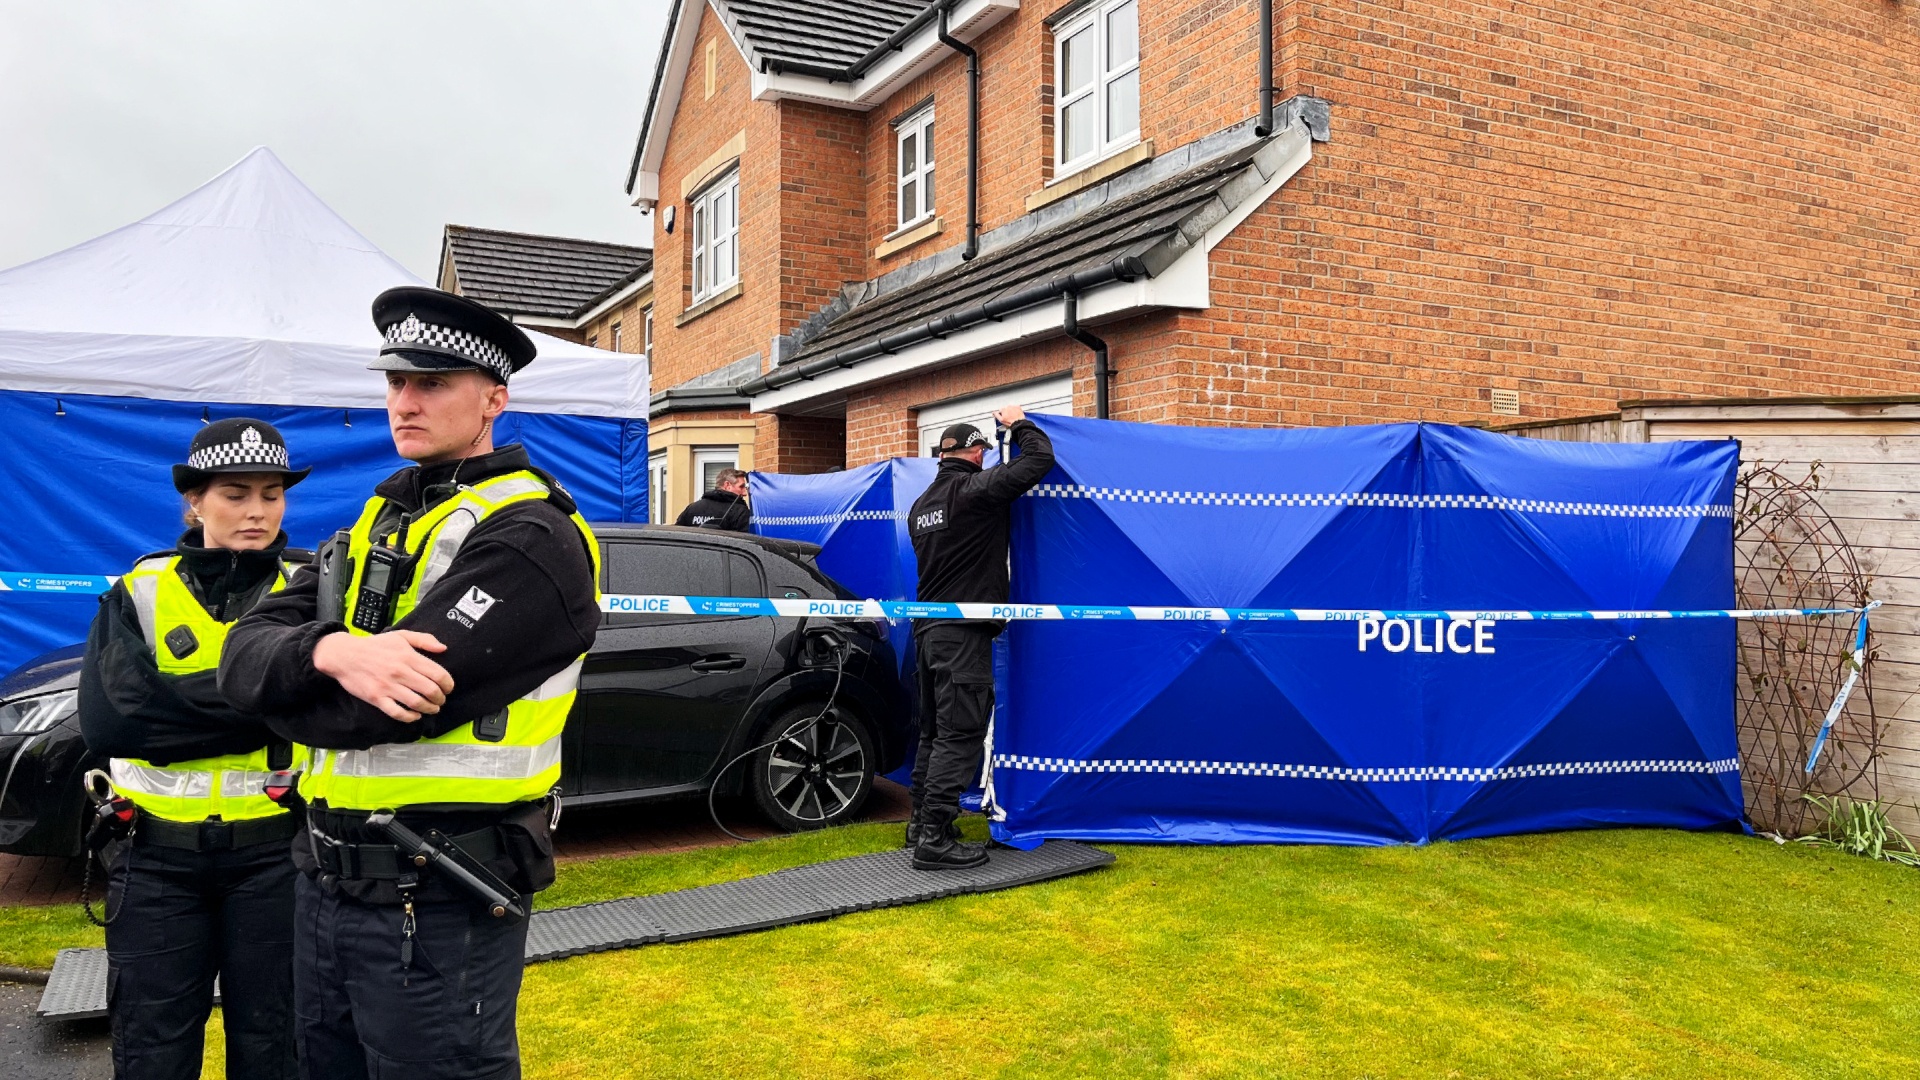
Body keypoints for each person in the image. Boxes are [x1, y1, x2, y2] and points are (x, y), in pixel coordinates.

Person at [218, 286, 600, 1080]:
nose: (404, 401)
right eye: (395, 382)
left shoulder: (531, 534)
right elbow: (240, 660)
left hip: (440, 894)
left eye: (432, 383)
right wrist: (333, 652)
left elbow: (376, 715)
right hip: (325, 883)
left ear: (494, 398)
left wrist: (302, 675)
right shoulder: (379, 519)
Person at [77, 417, 311, 1080]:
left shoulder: (314, 588)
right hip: (154, 862)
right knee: (152, 1051)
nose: (257, 510)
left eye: (272, 493)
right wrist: (265, 702)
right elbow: (114, 726)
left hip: (278, 857)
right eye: (236, 493)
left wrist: (177, 706)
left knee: (277, 1048)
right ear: (194, 501)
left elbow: (327, 707)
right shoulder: (140, 592)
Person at [904, 407, 1055, 870]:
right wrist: (1021, 424)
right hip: (961, 635)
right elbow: (1038, 461)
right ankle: (934, 839)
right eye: (985, 452)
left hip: (928, 632)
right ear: (974, 452)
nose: (988, 458)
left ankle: (921, 825)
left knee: (934, 733)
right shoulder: (972, 491)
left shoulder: (922, 505)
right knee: (961, 733)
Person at [674, 467, 752, 531]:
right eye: (741, 487)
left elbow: (677, 535)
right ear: (727, 485)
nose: (745, 493)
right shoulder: (740, 512)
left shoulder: (692, 508)